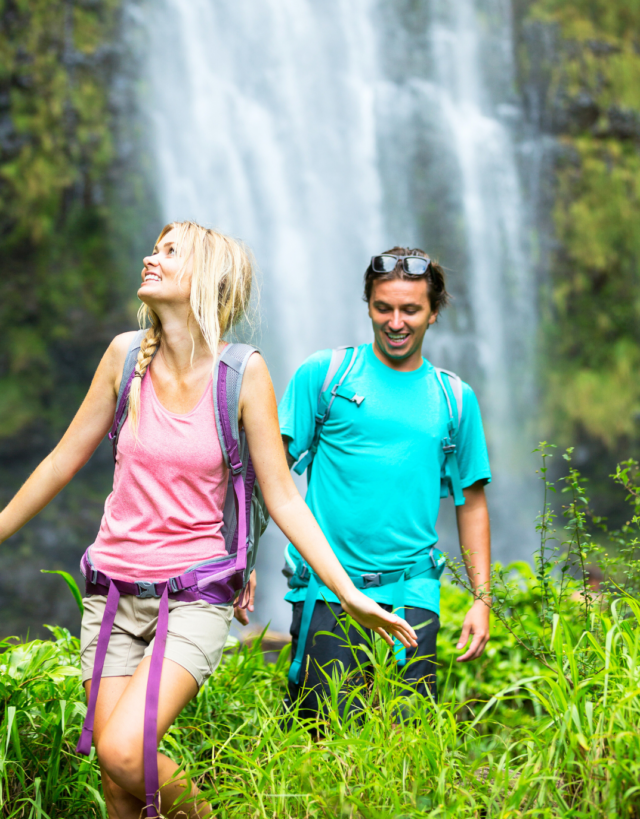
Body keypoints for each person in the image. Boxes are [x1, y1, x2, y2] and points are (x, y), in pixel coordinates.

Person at [0, 222, 417, 819]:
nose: (150, 257)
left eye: (170, 253)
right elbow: (61, 461)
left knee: (123, 750)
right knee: (118, 783)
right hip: (111, 595)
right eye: (153, 247)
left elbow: (284, 497)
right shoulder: (124, 357)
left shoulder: (243, 374)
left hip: (192, 598)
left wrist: (346, 592)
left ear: (206, 280)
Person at [279, 247, 492, 719]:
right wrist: (241, 561)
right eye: (383, 308)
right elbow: (269, 478)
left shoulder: (454, 398)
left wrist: (481, 598)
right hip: (329, 589)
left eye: (411, 310)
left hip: (411, 590)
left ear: (434, 312)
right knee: (324, 740)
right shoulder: (326, 376)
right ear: (368, 305)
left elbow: (471, 502)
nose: (396, 322)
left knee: (408, 744)